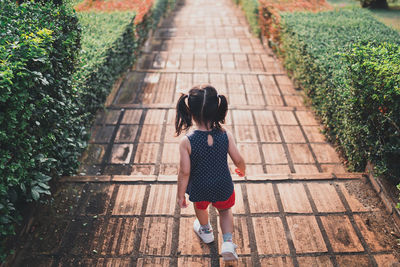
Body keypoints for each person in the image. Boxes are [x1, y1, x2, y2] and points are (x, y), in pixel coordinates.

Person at [175, 84, 246, 261]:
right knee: (225, 211)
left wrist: (180, 194)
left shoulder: (187, 141)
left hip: (200, 187)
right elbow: (238, 159)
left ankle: (206, 230)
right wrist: (241, 169)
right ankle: (228, 242)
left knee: (200, 207)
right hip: (223, 185)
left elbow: (184, 172)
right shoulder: (224, 134)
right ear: (217, 108)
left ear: (190, 111)